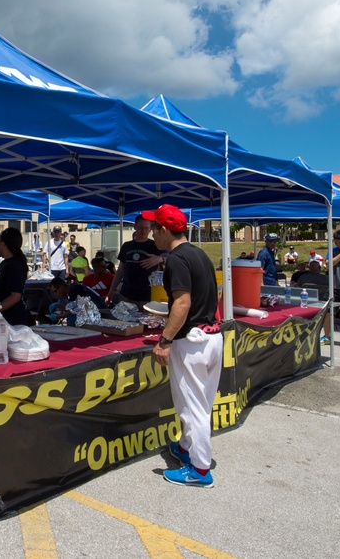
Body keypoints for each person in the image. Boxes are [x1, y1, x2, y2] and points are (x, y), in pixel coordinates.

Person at [144, 204, 221, 488]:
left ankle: (200, 470)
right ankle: (187, 448)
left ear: (164, 230)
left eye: (154, 229)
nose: (152, 234)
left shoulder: (176, 259)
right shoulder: (200, 253)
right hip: (211, 336)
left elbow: (183, 302)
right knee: (202, 403)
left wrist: (164, 340)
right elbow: (197, 299)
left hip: (192, 342)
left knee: (192, 407)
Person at [107, 215, 162, 308]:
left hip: (147, 296)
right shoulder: (126, 246)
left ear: (150, 229)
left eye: (146, 228)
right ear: (135, 227)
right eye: (141, 228)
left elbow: (170, 256)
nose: (143, 231)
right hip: (126, 294)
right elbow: (120, 270)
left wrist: (159, 259)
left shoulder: (155, 245)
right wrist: (111, 290)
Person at [0, 227, 29, 325]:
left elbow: (15, 296)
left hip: (12, 320)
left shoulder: (15, 265)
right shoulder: (5, 263)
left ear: (4, 244)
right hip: (2, 318)